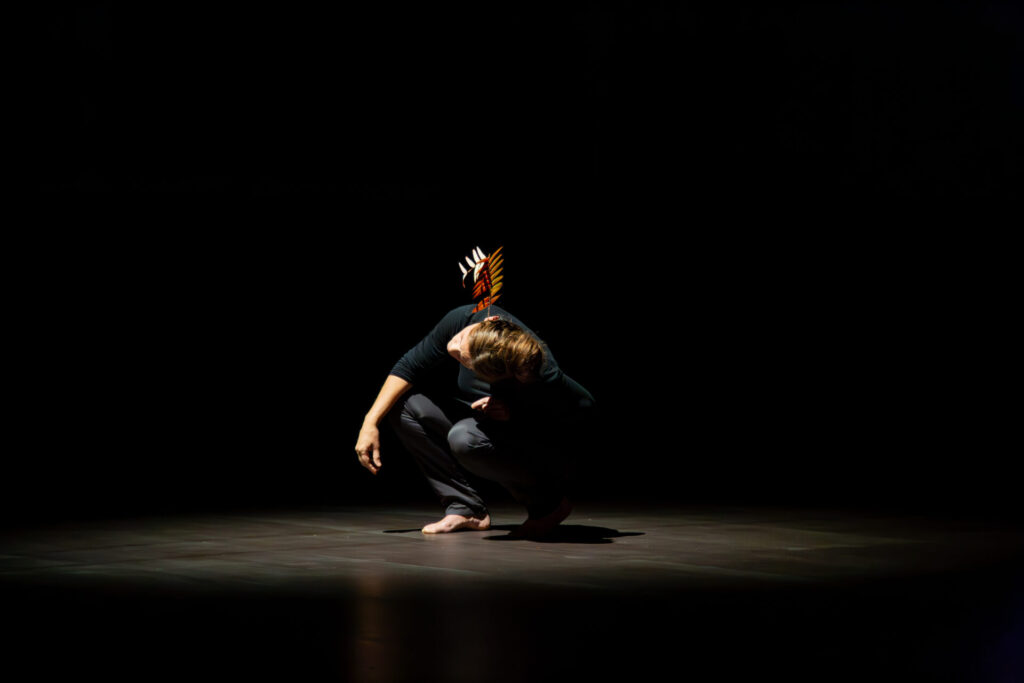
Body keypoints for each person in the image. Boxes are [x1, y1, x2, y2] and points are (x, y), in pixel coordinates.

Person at [355, 303, 595, 538]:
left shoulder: (538, 370)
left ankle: (548, 506)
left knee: (463, 438)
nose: (455, 347)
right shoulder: (467, 318)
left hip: (528, 441)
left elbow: (581, 413)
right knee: (402, 406)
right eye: (463, 342)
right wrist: (370, 421)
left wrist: (515, 415)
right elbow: (409, 366)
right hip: (483, 419)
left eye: (464, 359)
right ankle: (466, 508)